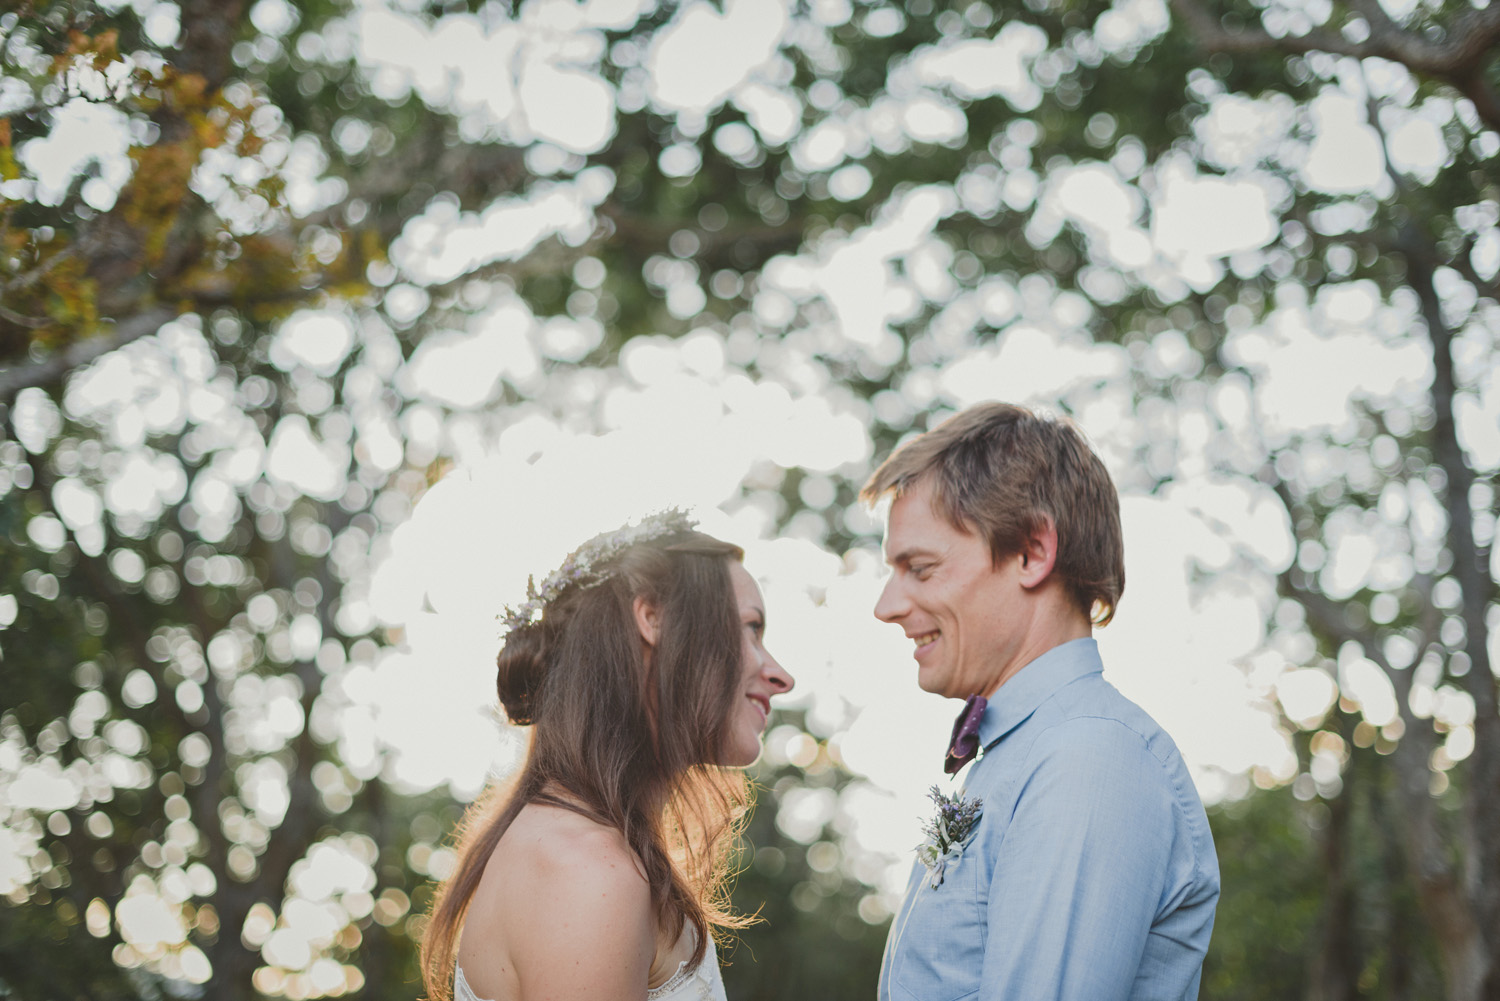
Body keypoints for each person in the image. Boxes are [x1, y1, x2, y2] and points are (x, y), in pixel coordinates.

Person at [864, 402, 1219, 1001]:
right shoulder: (1027, 754)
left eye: (920, 569)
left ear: (1032, 553)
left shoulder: (1090, 760)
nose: (887, 605)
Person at [420, 510, 794, 1001]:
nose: (781, 676)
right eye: (750, 628)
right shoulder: (586, 872)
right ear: (653, 619)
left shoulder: (577, 852)